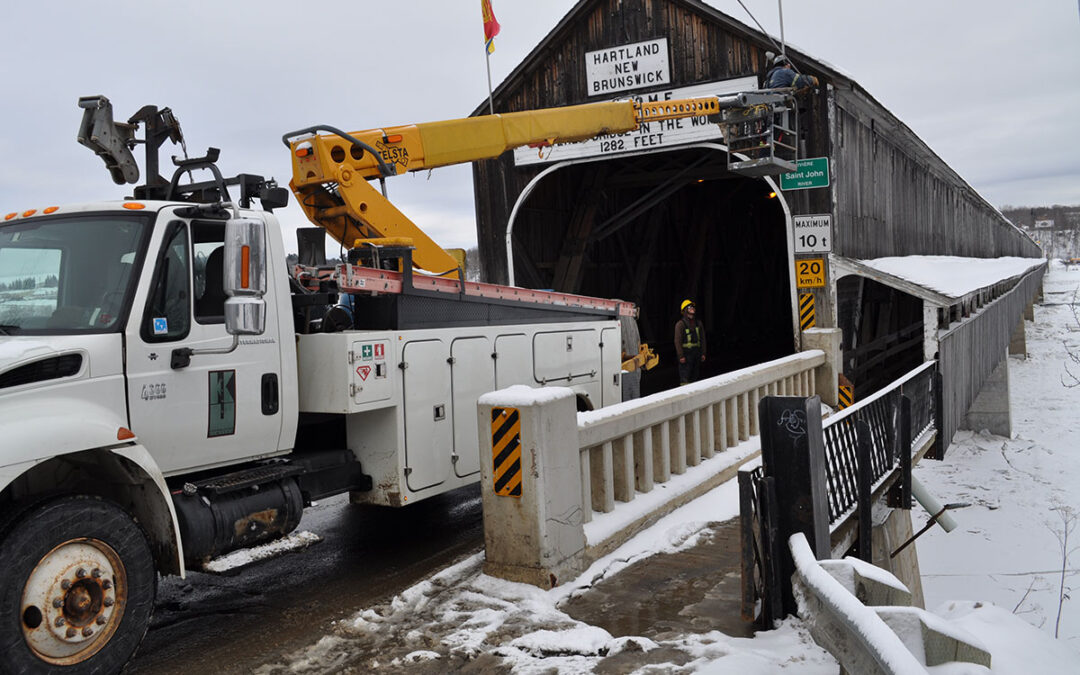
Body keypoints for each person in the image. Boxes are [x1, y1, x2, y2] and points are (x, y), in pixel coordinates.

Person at [674, 299, 706, 385]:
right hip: (686, 354)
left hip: (696, 353)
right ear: (685, 310)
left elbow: (703, 339)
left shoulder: (698, 323)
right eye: (689, 307)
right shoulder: (680, 324)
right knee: (685, 377)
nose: (692, 308)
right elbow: (677, 341)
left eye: (693, 307)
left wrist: (703, 352)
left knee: (695, 376)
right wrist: (681, 355)